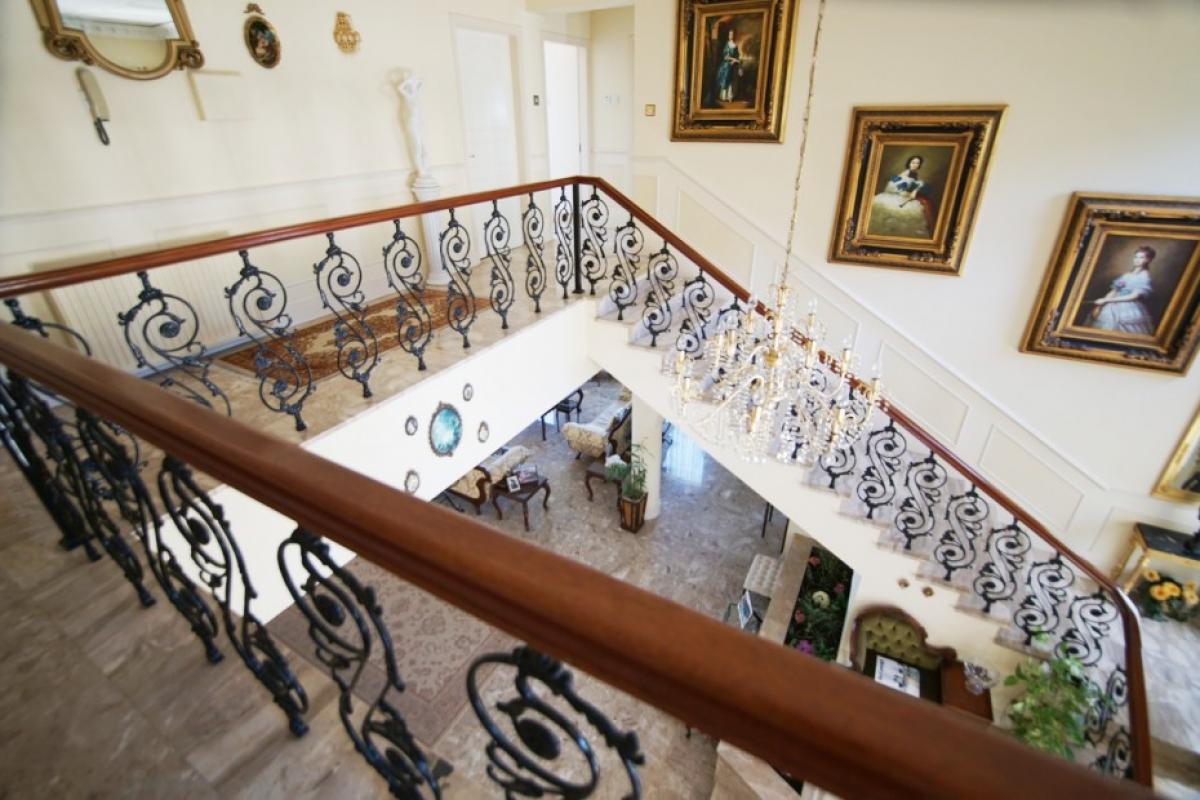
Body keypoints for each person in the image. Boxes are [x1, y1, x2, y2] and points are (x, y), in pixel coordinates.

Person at [1086, 245, 1156, 335]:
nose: (1137, 259)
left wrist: (1107, 300)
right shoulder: (1127, 275)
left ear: (1148, 260)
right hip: (1111, 304)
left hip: (1128, 307)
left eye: (1141, 257)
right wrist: (1101, 304)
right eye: (1136, 257)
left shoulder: (1144, 277)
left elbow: (1133, 296)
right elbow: (1114, 291)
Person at [866, 155, 935, 239]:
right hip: (898, 197)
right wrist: (907, 191)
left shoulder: (914, 174)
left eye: (917, 163)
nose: (915, 165)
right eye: (913, 162)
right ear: (909, 163)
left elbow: (912, 187)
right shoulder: (906, 173)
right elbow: (892, 186)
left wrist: (915, 189)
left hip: (906, 196)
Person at [715, 29, 740, 103]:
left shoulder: (735, 46)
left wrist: (735, 60)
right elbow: (725, 57)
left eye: (732, 34)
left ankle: (730, 96)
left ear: (734, 35)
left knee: (732, 79)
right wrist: (733, 59)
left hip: (732, 65)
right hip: (726, 65)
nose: (731, 36)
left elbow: (737, 57)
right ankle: (724, 96)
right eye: (730, 34)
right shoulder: (726, 44)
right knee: (726, 75)